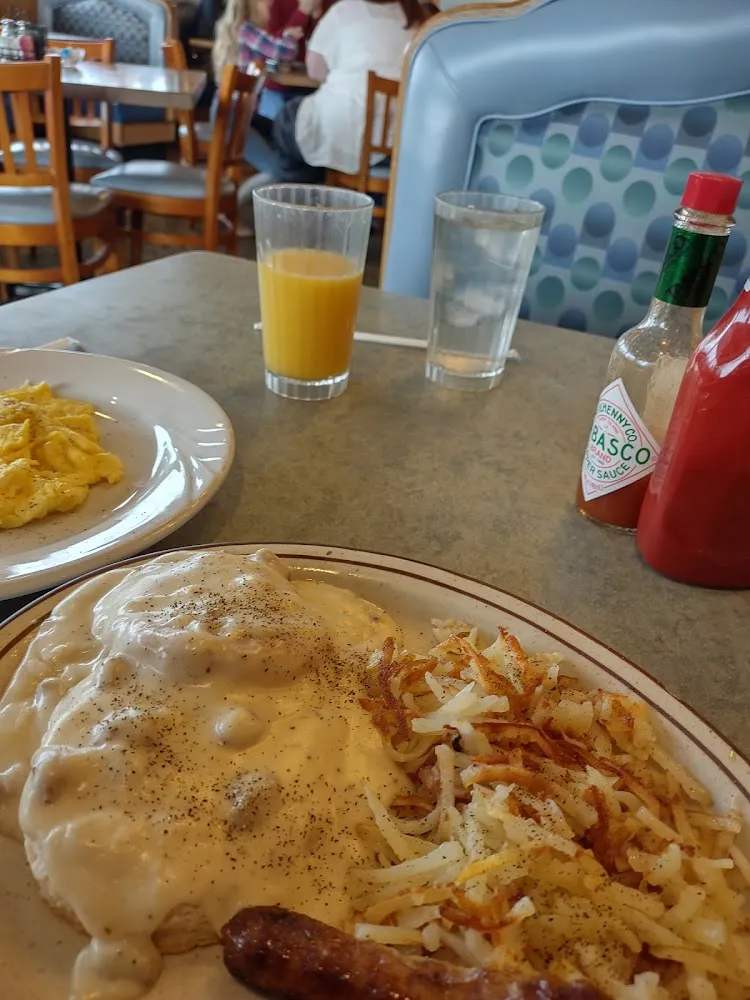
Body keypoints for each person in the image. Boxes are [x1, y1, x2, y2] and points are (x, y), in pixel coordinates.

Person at [269, 0, 427, 182]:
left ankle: (308, 198)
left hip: (342, 130)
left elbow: (315, 71)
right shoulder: (419, 20)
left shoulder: (344, 10)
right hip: (396, 149)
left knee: (289, 119)